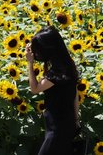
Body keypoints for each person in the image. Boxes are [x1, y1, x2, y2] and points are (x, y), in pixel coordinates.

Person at [25, 26, 80, 155]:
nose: (37, 53)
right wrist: (76, 120)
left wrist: (30, 63)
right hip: (66, 125)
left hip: (57, 129)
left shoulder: (57, 73)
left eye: (39, 50)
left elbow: (34, 89)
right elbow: (75, 94)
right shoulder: (68, 66)